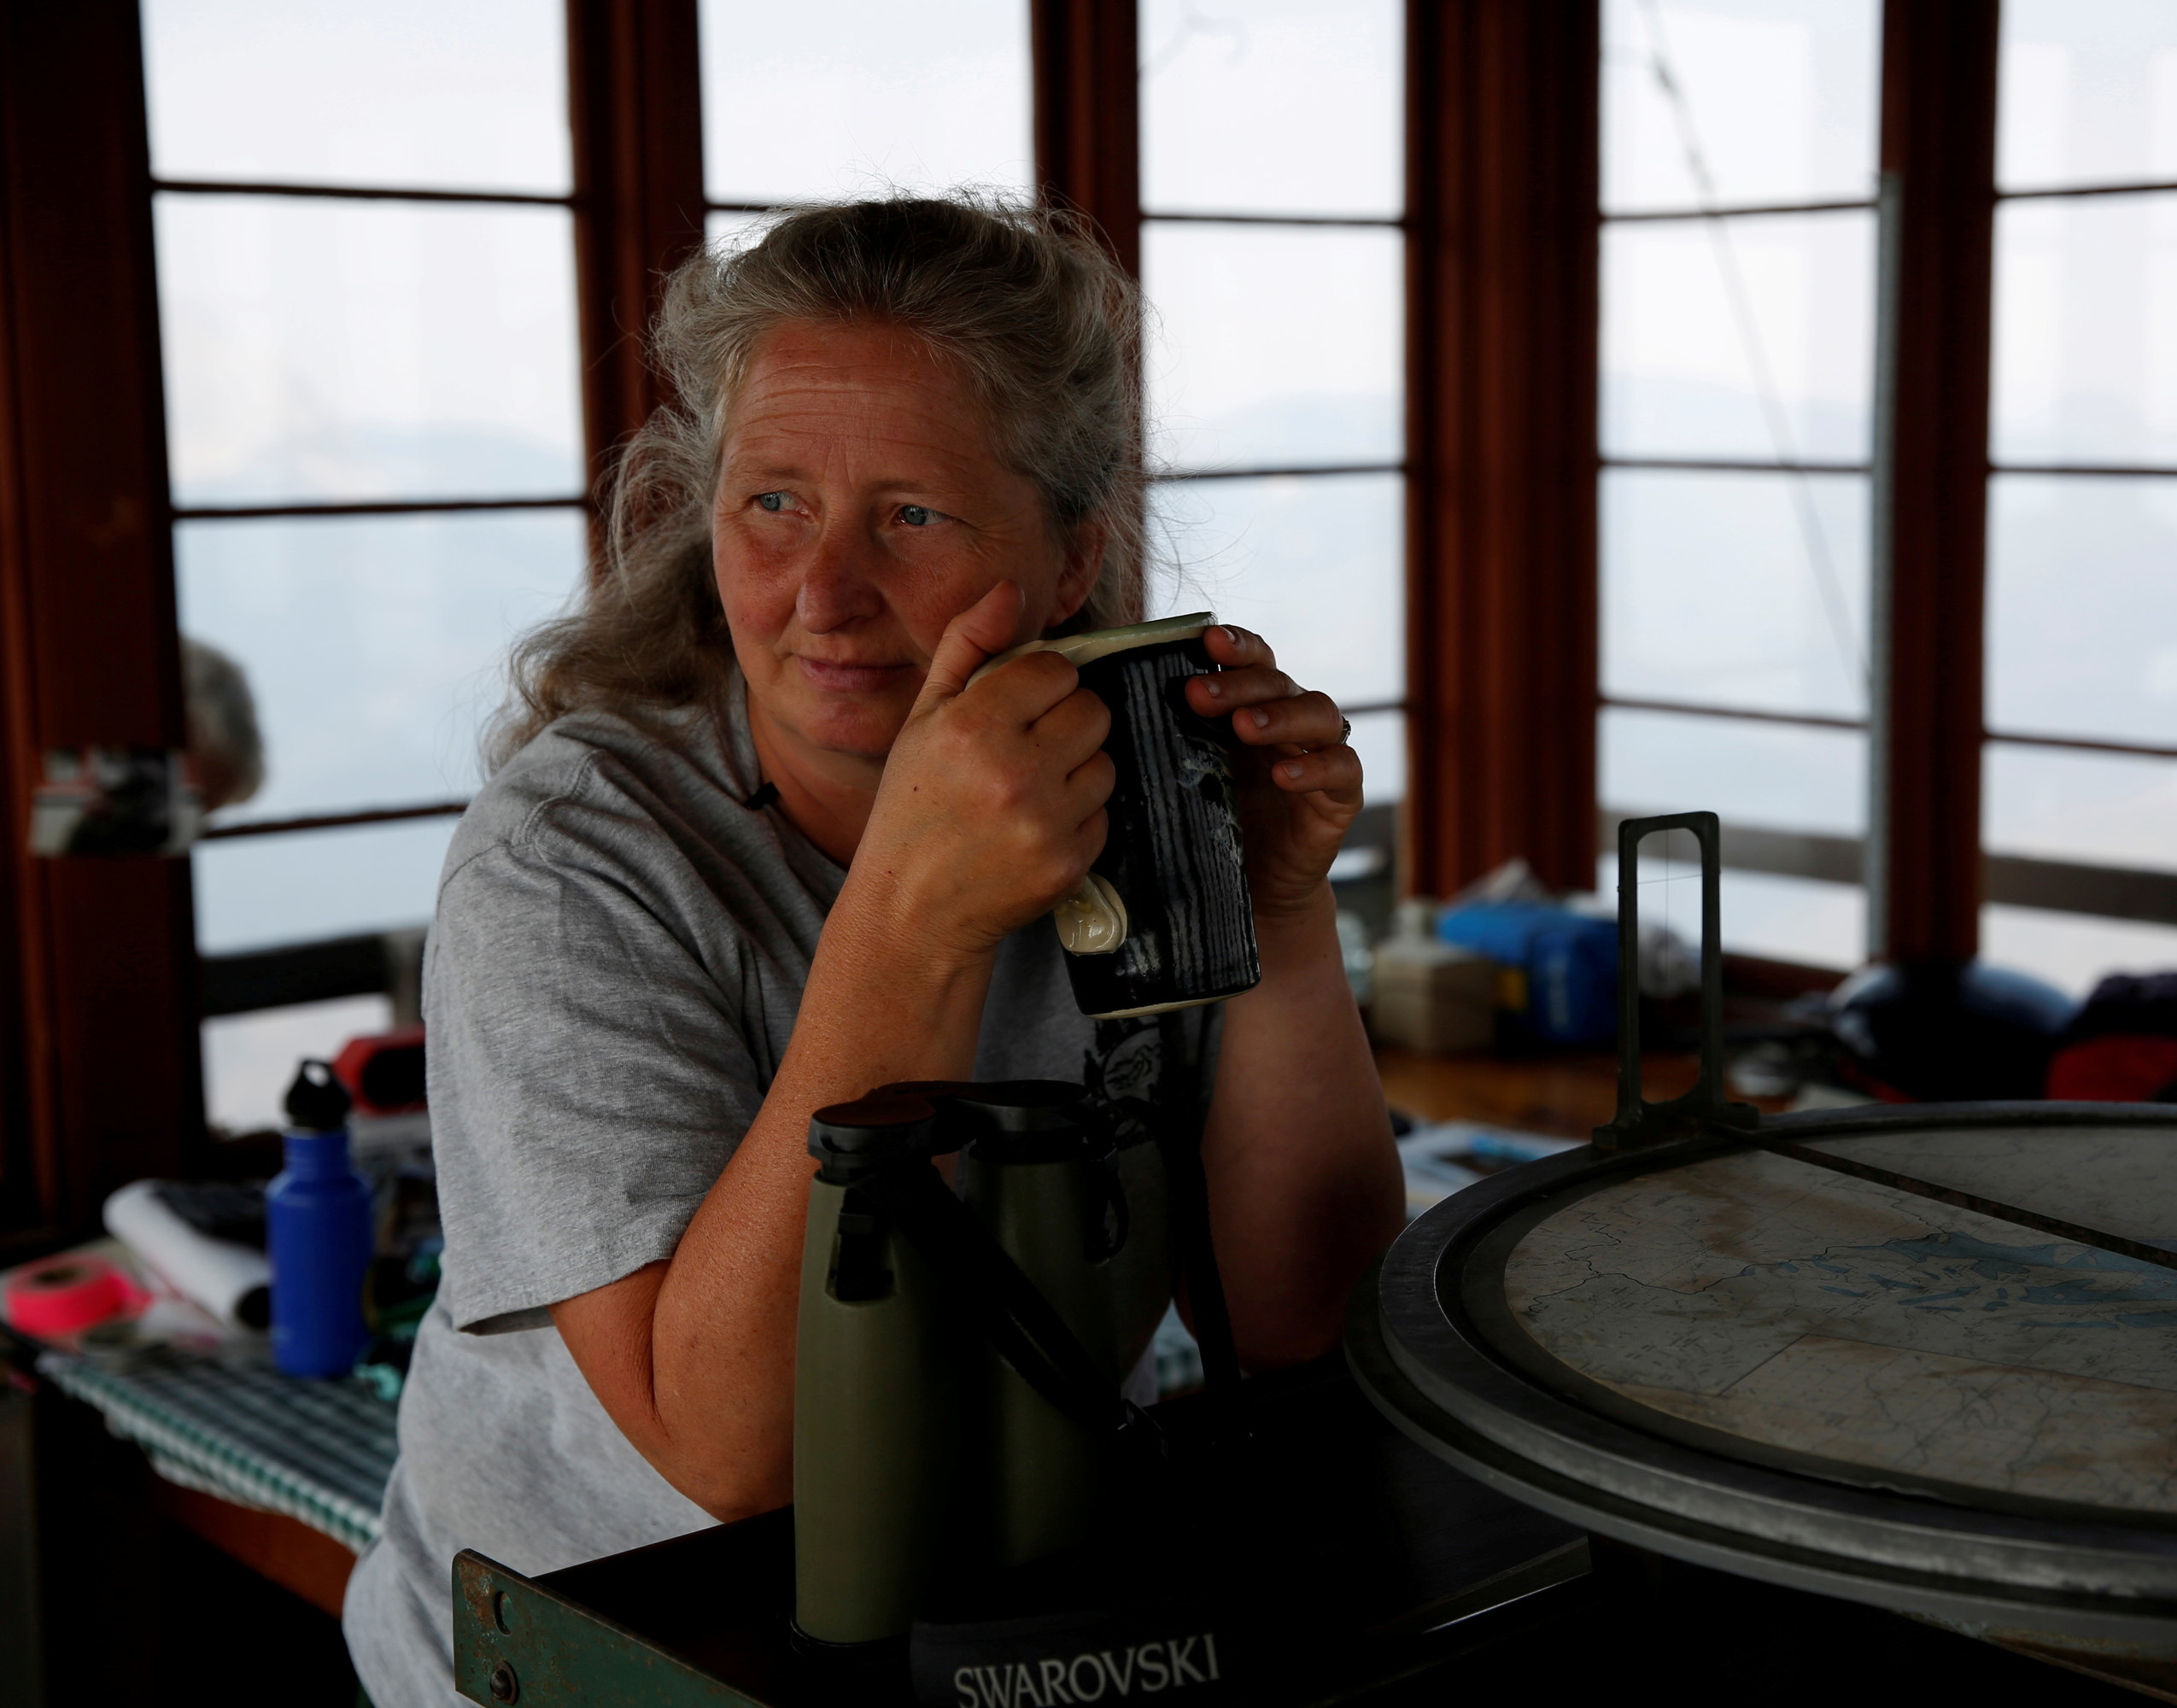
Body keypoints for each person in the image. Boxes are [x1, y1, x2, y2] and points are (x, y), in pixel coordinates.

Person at [342, 196, 1405, 1705]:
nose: (824, 595)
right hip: (611, 1642)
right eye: (773, 503)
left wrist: (1282, 914)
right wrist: (918, 912)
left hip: (1008, 1622)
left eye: (911, 515)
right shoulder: (574, 854)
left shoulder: (1123, 780)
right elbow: (732, 1456)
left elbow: (1307, 1321)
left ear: (1068, 554)